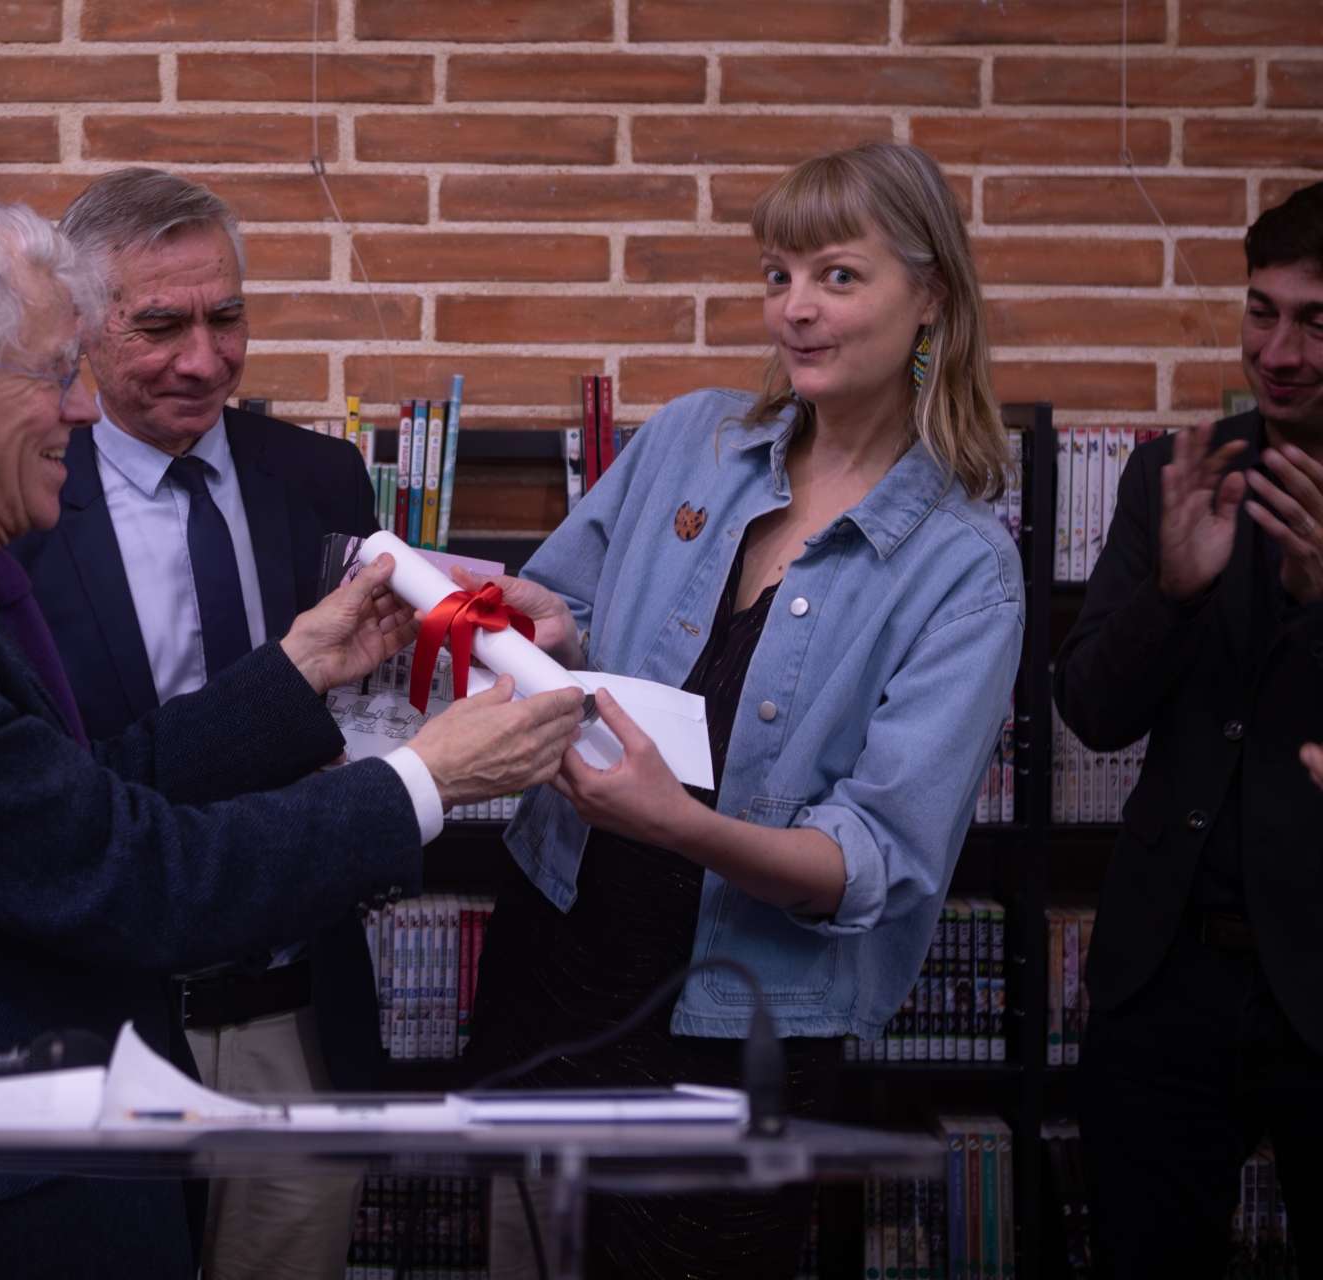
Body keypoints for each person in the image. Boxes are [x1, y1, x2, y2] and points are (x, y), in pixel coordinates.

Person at [0, 200, 586, 1280]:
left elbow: (81, 799)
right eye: (52, 372)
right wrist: (428, 778)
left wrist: (295, 668)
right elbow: (137, 878)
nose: (81, 406)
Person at [457, 142, 1024, 1279]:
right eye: (777, 275)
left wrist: (680, 826)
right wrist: (550, 622)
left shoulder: (967, 568)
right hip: (555, 947)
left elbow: (876, 859)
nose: (797, 310)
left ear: (933, 302)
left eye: (838, 276)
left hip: (735, 1024)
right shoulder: (692, 437)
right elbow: (569, 599)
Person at [7, 167, 384, 1279]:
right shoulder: (21, 502)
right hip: (101, 1018)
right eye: (160, 324)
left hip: (297, 1011)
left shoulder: (321, 480)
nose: (204, 358)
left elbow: (357, 716)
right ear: (79, 330)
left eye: (227, 318)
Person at [1054, 180, 1323, 1280]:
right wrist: (1171, 593)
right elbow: (1092, 710)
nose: (1283, 349)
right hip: (1165, 977)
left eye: (1318, 320)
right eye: (1262, 310)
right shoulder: (1179, 473)